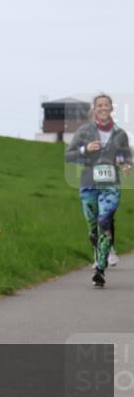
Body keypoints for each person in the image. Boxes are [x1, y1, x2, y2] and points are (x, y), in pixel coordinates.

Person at [65, 94, 130, 287]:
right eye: (99, 105)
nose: (103, 108)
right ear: (94, 109)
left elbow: (126, 156)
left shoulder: (120, 134)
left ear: (111, 108)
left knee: (104, 220)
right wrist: (85, 149)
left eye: (106, 105)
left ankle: (100, 269)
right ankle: (101, 250)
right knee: (93, 228)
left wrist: (126, 164)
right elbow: (68, 155)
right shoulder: (84, 131)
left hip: (111, 185)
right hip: (89, 184)